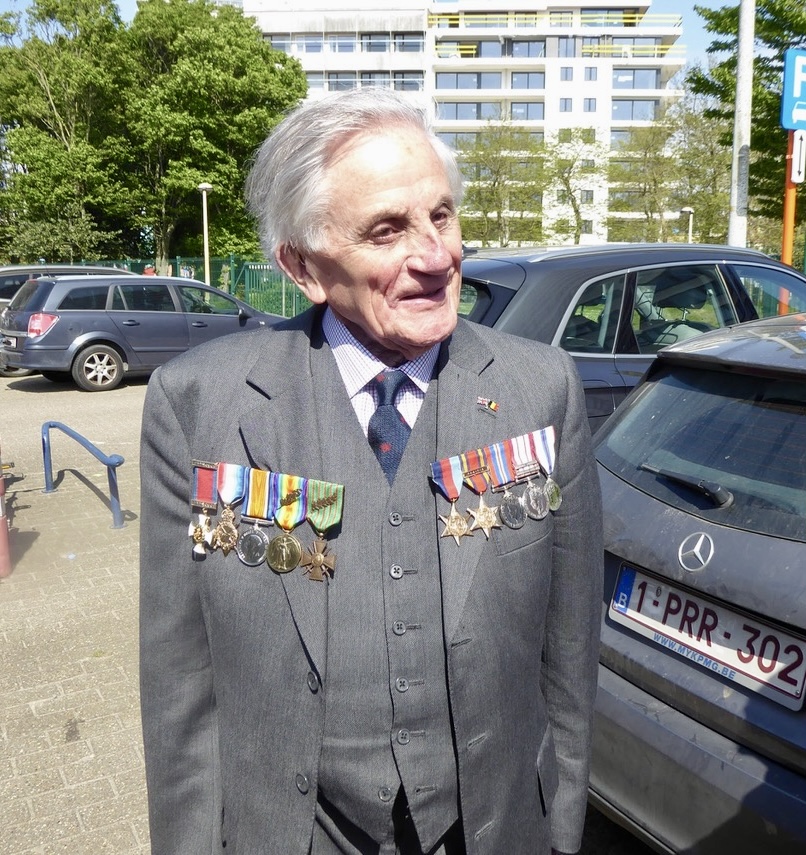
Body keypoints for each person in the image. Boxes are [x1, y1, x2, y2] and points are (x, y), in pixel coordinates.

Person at [139, 88, 603, 855]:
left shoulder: (542, 389)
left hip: (490, 828)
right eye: (386, 230)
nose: (435, 255)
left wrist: (562, 827)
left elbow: (571, 649)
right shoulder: (198, 406)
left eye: (442, 215)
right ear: (303, 266)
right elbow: (179, 685)